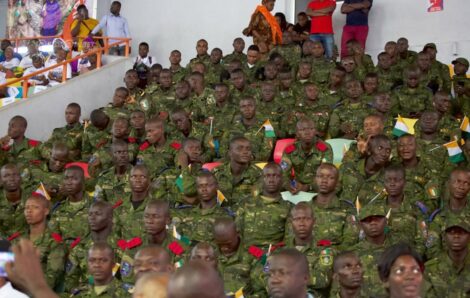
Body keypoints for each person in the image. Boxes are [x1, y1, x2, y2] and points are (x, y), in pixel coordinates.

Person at [425, 214, 470, 297]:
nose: (456, 236)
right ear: (444, 237)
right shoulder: (430, 269)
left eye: (462, 232)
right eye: (451, 232)